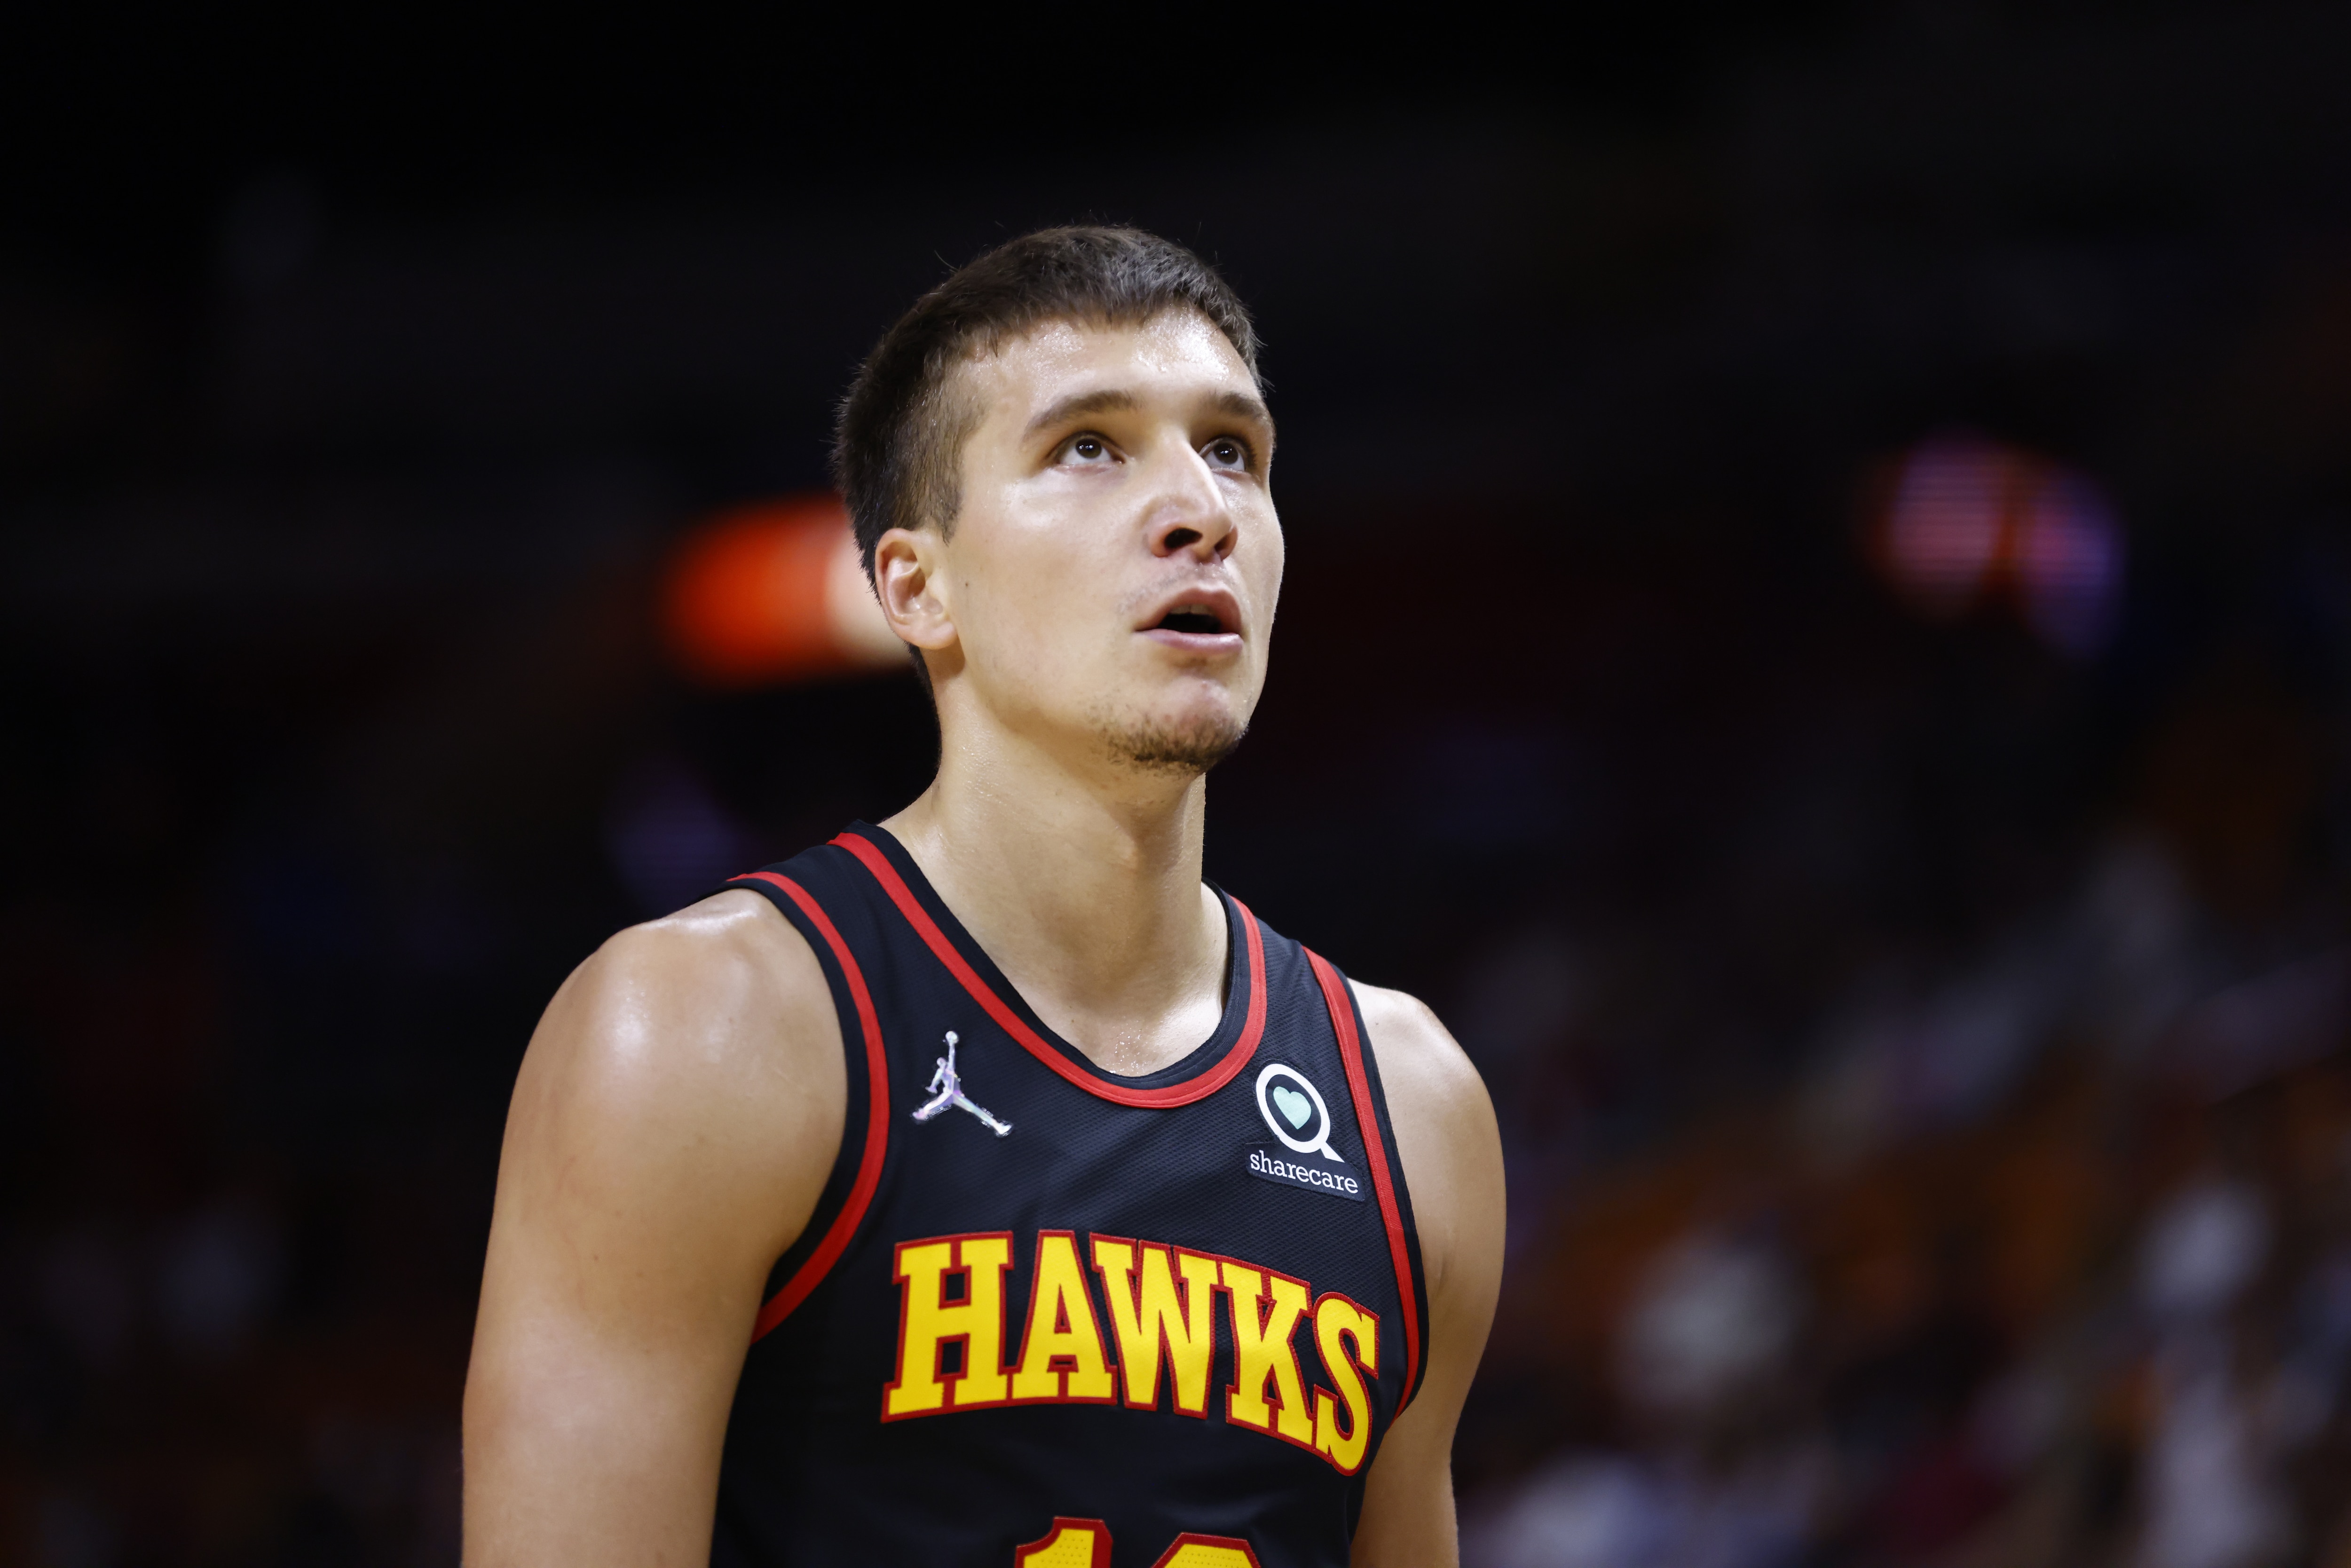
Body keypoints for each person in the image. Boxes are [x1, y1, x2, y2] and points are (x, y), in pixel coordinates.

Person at [463, 226, 1506, 1567]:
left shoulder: (1410, 1104)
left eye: (1232, 449)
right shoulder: (700, 1031)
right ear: (918, 586)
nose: (1199, 508)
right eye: (1090, 447)